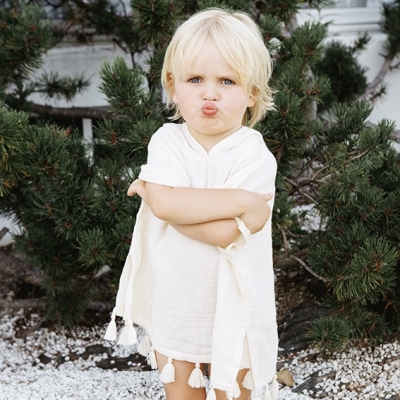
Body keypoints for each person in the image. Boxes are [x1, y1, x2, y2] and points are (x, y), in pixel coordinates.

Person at [104, 8, 279, 400]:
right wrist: (241, 201)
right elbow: (167, 206)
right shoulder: (167, 143)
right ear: (172, 85)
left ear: (251, 92)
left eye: (227, 81)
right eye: (195, 79)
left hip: (235, 309)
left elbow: (222, 233)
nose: (209, 93)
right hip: (178, 305)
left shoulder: (252, 155)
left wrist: (158, 196)